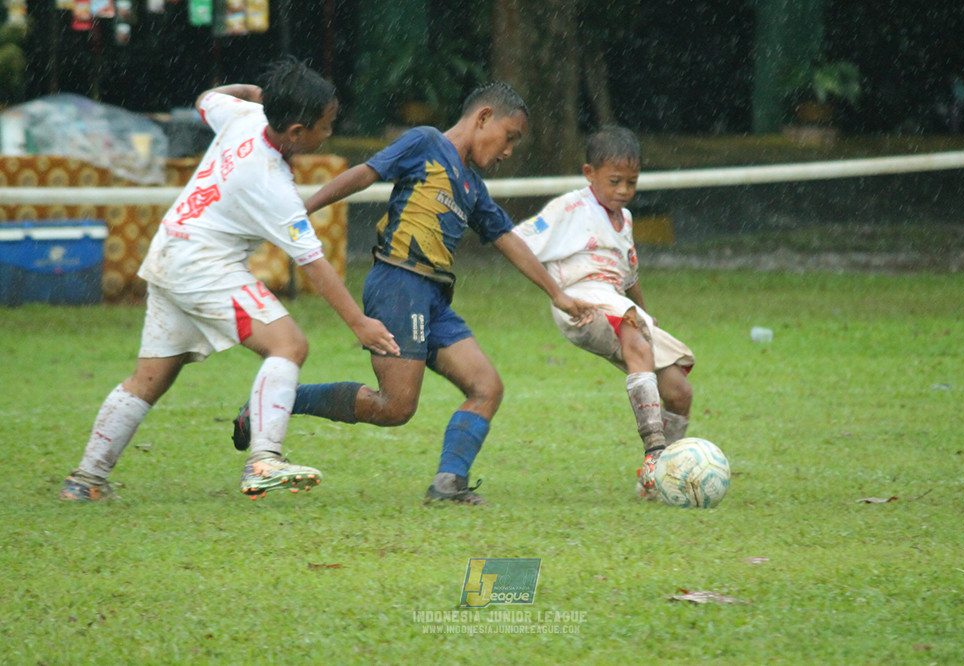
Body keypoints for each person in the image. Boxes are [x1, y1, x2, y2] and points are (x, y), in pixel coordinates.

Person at [231, 81, 596, 505]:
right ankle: (272, 405)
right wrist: (302, 209)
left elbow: (509, 239)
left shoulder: (472, 187)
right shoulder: (425, 142)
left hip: (435, 298)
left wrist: (558, 293)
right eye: (509, 136)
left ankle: (448, 485)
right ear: (482, 119)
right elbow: (364, 175)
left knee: (486, 387)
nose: (509, 151)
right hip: (398, 284)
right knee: (395, 407)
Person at [59, 57, 399, 502]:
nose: (329, 134)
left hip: (170, 251)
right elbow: (313, 263)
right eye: (326, 126)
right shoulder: (272, 184)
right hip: (202, 265)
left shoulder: (245, 116)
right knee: (288, 345)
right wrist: (360, 323)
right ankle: (263, 460)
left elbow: (207, 100)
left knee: (149, 379)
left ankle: (85, 481)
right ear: (297, 132)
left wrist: (260, 96)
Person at [512, 126, 695, 500]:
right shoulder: (570, 208)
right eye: (614, 181)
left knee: (678, 391)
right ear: (588, 174)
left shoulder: (624, 219)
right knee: (630, 333)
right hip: (581, 302)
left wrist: (646, 314)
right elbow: (514, 241)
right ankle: (654, 456)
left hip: (617, 304)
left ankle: (659, 484)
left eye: (632, 182)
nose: (624, 191)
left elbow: (630, 276)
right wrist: (557, 294)